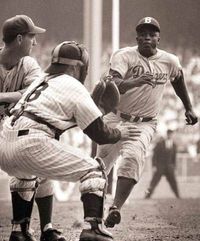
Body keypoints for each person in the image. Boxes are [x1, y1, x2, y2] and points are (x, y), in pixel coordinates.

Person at [0, 41, 140, 241]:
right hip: (31, 141)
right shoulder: (72, 84)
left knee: (29, 174)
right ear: (76, 66)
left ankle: (19, 231)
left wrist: (93, 111)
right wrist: (120, 134)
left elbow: (54, 116)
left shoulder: (40, 81)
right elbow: (99, 134)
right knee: (94, 170)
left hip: (5, 143)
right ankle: (92, 229)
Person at [96, 16, 198, 228]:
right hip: (116, 117)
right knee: (98, 167)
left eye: (151, 34)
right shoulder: (124, 55)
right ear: (137, 37)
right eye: (143, 34)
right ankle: (93, 214)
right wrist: (137, 81)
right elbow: (113, 85)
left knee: (132, 159)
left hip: (144, 123)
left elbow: (178, 79)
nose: (147, 38)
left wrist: (188, 107)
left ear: (158, 38)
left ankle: (115, 208)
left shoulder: (169, 60)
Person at [0, 15, 66, 241]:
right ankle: (20, 230)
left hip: (11, 129)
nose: (35, 42)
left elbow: (30, 94)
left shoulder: (28, 64)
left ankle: (45, 228)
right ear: (19, 38)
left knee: (41, 158)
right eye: (31, 37)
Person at [145, 129, 180, 199]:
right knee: (153, 182)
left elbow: (174, 158)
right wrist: (154, 166)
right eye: (169, 134)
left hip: (169, 168)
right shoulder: (160, 143)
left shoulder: (174, 145)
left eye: (171, 134)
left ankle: (178, 196)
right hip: (159, 167)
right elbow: (154, 156)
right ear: (167, 134)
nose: (170, 135)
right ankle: (147, 196)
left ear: (173, 135)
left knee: (173, 182)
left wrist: (174, 167)